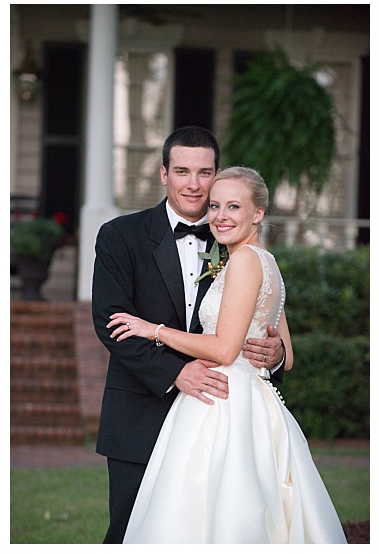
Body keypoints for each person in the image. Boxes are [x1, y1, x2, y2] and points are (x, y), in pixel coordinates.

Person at [107, 166, 347, 543]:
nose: (220, 216)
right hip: (250, 396)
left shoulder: (245, 261)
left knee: (207, 504)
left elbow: (224, 347)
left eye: (234, 207)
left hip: (221, 398)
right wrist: (277, 352)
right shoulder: (266, 260)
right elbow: (289, 353)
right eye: (215, 206)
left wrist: (152, 330)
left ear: (257, 213)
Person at [91, 126, 286, 543]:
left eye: (204, 173)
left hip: (220, 418)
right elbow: (111, 322)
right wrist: (173, 374)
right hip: (140, 415)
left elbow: (263, 322)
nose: (194, 184)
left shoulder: (235, 246)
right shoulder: (120, 236)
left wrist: (276, 353)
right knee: (135, 534)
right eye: (182, 171)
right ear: (164, 174)